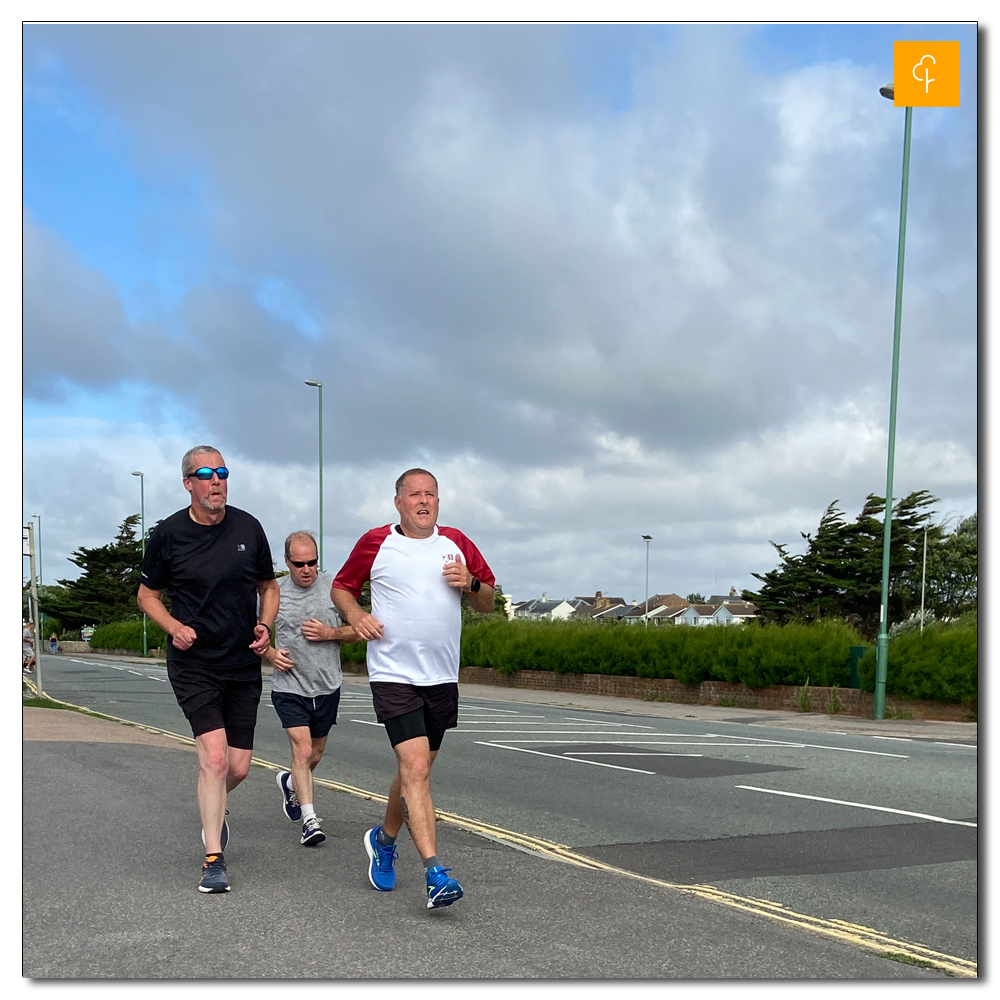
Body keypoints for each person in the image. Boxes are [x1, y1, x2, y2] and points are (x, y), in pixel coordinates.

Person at [332, 468, 496, 910]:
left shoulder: (457, 543)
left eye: (431, 495)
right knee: (417, 769)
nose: (424, 501)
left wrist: (473, 583)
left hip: (442, 678)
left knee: (414, 771)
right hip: (393, 674)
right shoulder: (376, 542)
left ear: (438, 502)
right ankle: (435, 873)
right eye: (415, 494)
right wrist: (355, 617)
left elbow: (489, 600)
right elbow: (341, 587)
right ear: (398, 502)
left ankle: (384, 839)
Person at [136, 445, 278, 894]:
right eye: (206, 474)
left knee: (237, 768)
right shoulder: (168, 535)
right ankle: (213, 859)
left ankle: (213, 809)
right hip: (194, 663)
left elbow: (269, 586)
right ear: (189, 484)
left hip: (241, 663)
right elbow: (146, 596)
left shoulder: (248, 527)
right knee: (214, 759)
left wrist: (264, 624)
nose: (216, 480)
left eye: (222, 472)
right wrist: (174, 627)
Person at [267, 530, 359, 847]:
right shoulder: (273, 592)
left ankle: (290, 782)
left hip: (327, 685)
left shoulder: (335, 588)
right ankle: (309, 820)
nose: (307, 570)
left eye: (312, 563)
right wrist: (269, 654)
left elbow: (359, 630)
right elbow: (253, 634)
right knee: (303, 751)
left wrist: (330, 633)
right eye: (299, 564)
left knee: (314, 755)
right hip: (289, 686)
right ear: (287, 562)